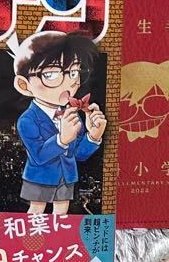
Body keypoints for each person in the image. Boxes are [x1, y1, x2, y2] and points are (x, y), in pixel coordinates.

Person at [12, 31, 106, 214]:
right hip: (40, 177)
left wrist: (93, 136)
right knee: (36, 211)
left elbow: (78, 154)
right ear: (24, 85)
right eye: (51, 74)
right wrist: (62, 140)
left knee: (62, 213)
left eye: (74, 72)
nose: (69, 82)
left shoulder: (71, 115)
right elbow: (39, 156)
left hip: (67, 175)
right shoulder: (27, 120)